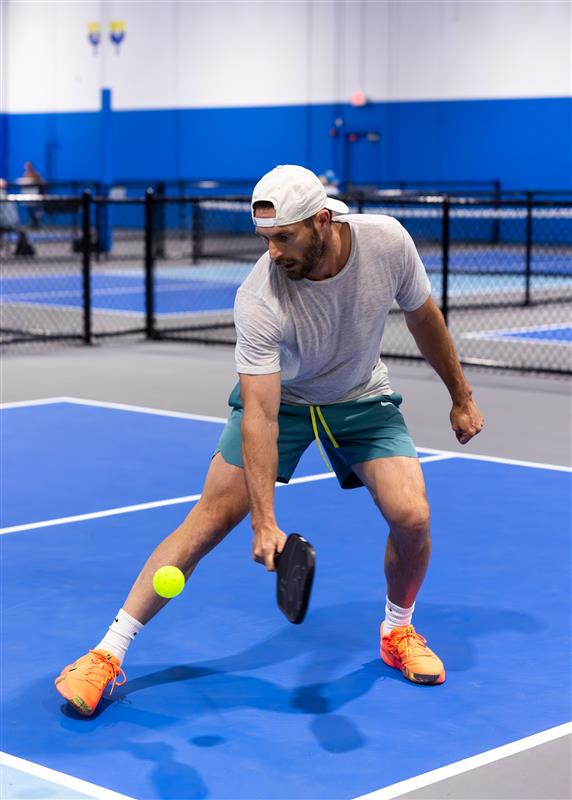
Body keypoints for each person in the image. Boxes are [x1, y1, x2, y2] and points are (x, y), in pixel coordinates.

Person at [55, 165, 484, 716]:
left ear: (322, 222)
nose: (274, 251)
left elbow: (424, 319)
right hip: (284, 400)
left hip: (359, 395)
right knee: (208, 520)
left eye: (284, 237)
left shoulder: (388, 242)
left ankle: (398, 631)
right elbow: (260, 413)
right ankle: (105, 654)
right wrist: (264, 521)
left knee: (413, 515)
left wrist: (462, 395)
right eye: (266, 239)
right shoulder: (260, 297)